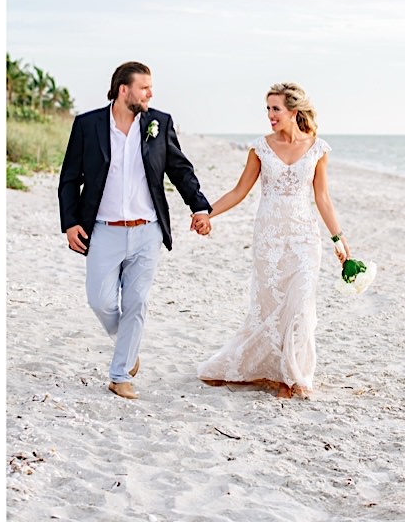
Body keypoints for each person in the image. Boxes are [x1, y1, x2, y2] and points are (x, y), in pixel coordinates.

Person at [57, 61, 212, 400]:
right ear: (123, 89)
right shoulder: (88, 125)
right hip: (102, 229)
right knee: (99, 301)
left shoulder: (159, 122)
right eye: (144, 87)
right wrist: (70, 222)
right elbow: (70, 177)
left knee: (137, 302)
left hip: (148, 231)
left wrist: (199, 206)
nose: (150, 94)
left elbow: (179, 169)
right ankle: (128, 344)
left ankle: (120, 374)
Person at [196, 83, 344, 400]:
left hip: (304, 239)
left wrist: (339, 239)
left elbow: (323, 199)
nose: (270, 115)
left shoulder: (317, 148)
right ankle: (275, 373)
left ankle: (295, 375)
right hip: (269, 238)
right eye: (268, 109)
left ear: (293, 111)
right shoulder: (260, 148)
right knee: (271, 307)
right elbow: (239, 191)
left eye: (275, 109)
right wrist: (208, 213)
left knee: (301, 306)